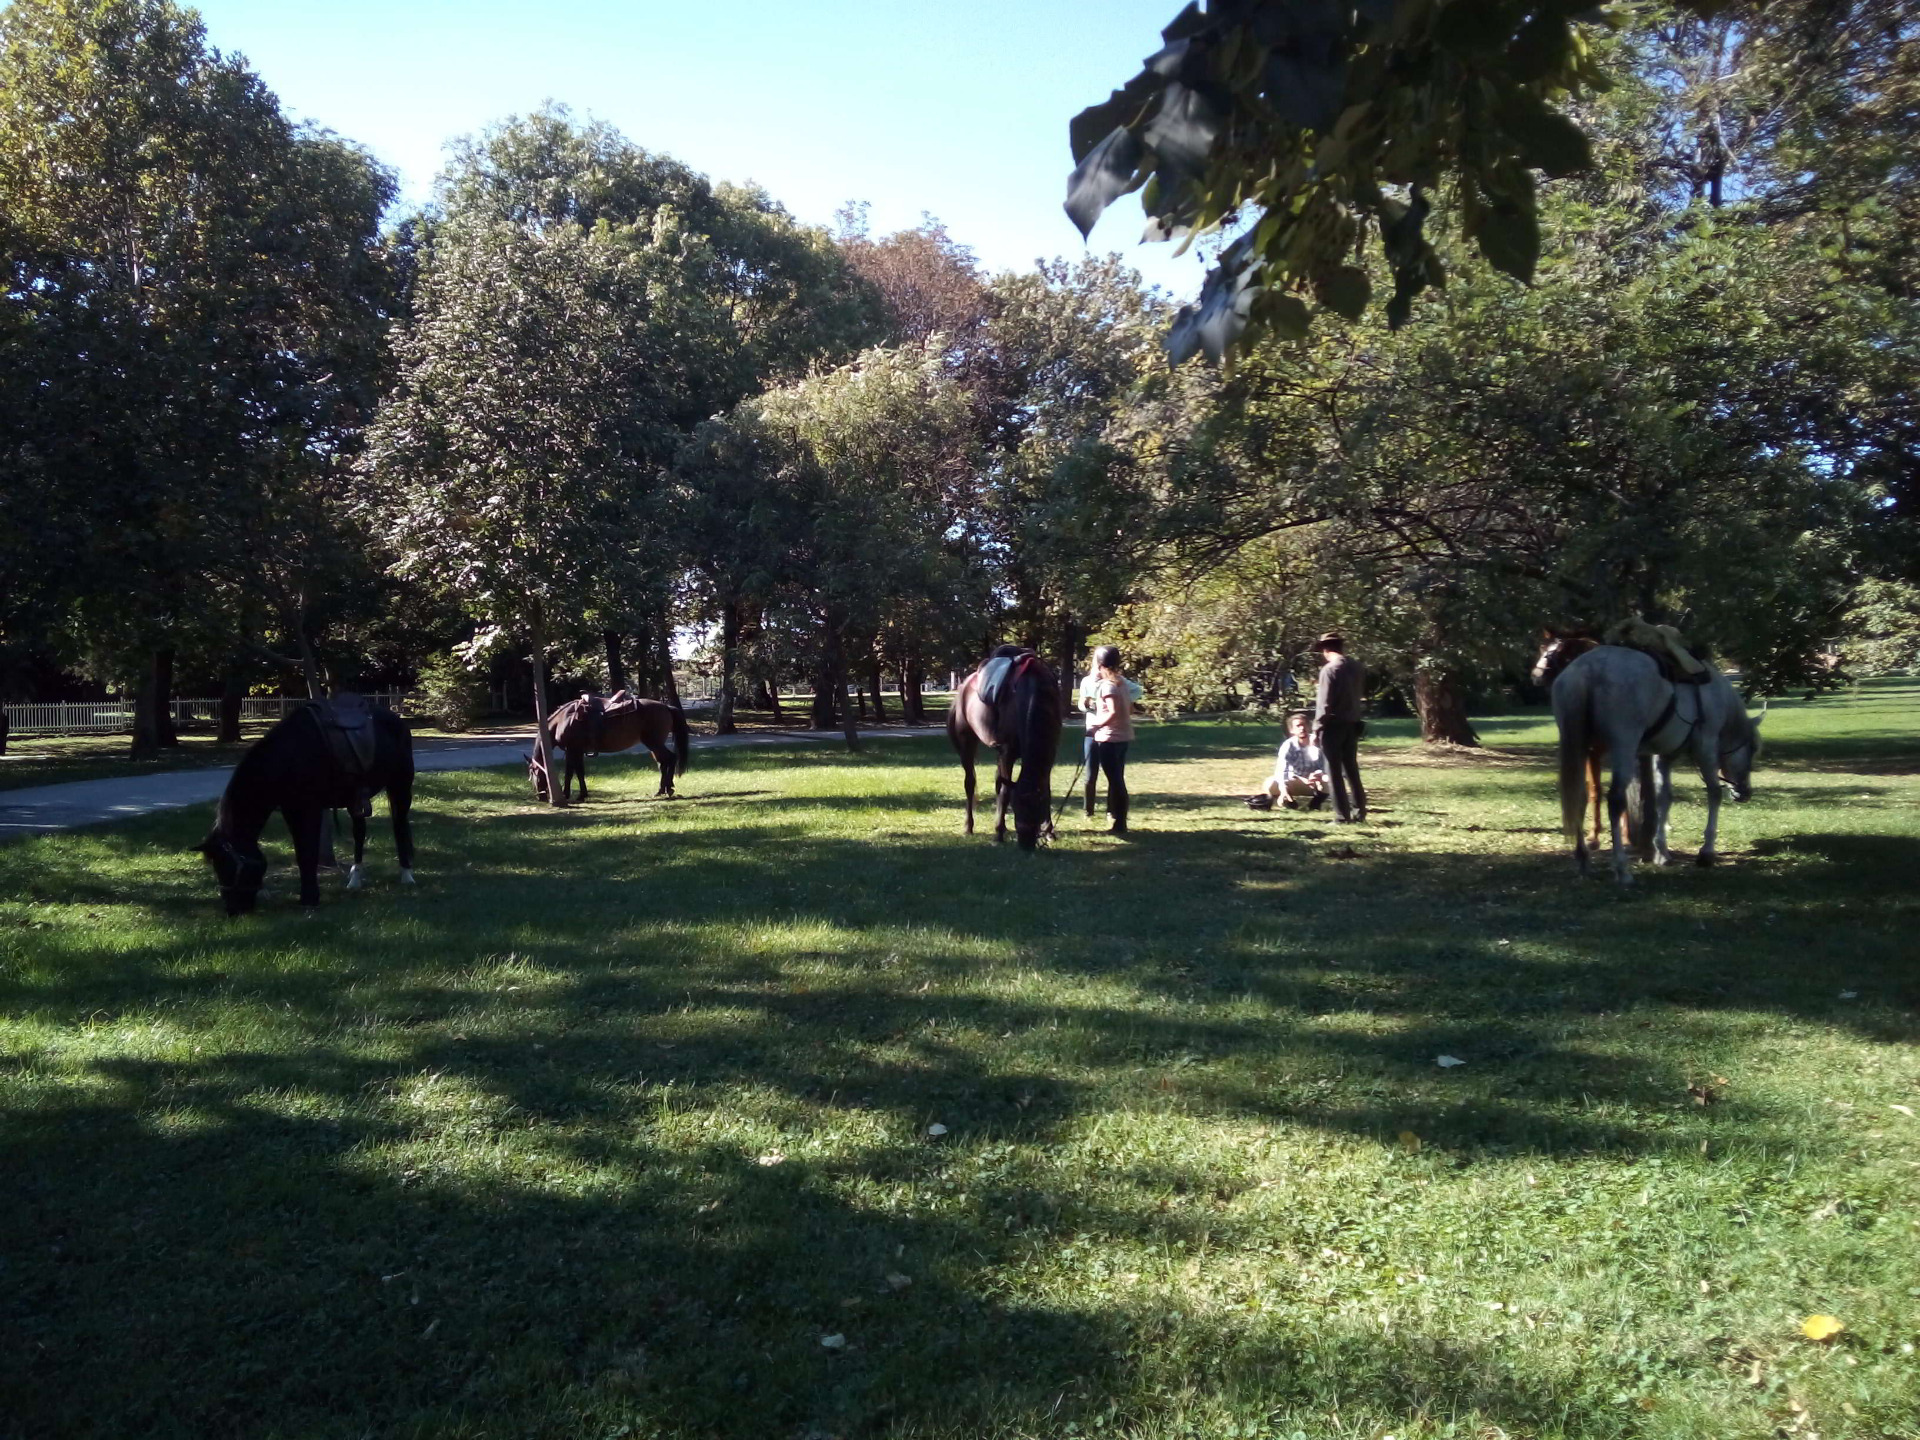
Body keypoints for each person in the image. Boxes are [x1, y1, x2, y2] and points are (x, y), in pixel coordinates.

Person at [1310, 632, 1367, 823]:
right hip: (1352, 723)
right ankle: (1360, 812)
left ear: (1325, 650)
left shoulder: (1329, 670)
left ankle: (1342, 816)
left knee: (1333, 772)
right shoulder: (1356, 667)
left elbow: (1324, 704)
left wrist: (1316, 728)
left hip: (1333, 726)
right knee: (1351, 769)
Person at [1078, 650, 1143, 819]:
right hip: (1121, 736)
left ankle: (1117, 818)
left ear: (1100, 665)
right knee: (1112, 779)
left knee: (1115, 781)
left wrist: (1097, 725)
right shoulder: (1119, 682)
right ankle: (1092, 811)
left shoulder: (1108, 684)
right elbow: (1127, 709)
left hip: (1108, 736)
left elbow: (1113, 711)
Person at [1246, 710, 1325, 811]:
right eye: (1298, 726)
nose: (1302, 728)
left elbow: (1328, 766)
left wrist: (1319, 774)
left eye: (1304, 725)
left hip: (1316, 782)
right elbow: (1282, 770)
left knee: (1329, 780)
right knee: (1270, 784)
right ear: (1291, 730)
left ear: (1309, 727)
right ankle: (1289, 801)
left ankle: (1315, 804)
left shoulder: (1318, 742)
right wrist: (1284, 790)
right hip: (1295, 780)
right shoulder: (1288, 745)